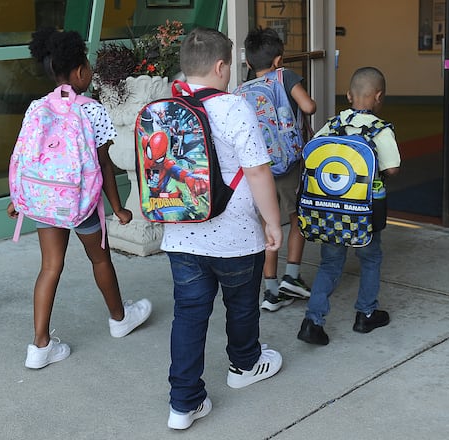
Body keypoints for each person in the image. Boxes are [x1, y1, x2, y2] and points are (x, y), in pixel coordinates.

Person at [7, 28, 152, 369]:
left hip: (44, 200)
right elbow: (103, 163)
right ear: (79, 72)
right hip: (80, 201)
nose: (89, 69)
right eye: (86, 64)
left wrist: (18, 196)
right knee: (100, 260)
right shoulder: (92, 110)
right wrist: (118, 208)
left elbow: (24, 156)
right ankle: (119, 318)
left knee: (50, 267)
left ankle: (39, 346)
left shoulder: (37, 107)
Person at [163, 27, 284, 430]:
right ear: (220, 67)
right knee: (242, 305)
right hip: (234, 236)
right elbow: (257, 171)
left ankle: (183, 403)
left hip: (181, 232)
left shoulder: (163, 104)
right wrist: (272, 222)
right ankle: (244, 365)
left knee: (189, 315)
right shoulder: (234, 108)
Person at [297, 67, 401, 346]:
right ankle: (365, 314)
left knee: (330, 263)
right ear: (379, 97)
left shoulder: (333, 124)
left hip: (329, 211)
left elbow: (313, 154)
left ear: (348, 95)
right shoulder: (380, 130)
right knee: (370, 259)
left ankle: (313, 321)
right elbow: (391, 169)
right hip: (362, 214)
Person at [242, 27, 317, 311]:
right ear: (279, 59)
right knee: (298, 217)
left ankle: (271, 290)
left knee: (268, 226)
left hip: (259, 168)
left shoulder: (242, 88)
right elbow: (308, 107)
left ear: (249, 63)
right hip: (287, 166)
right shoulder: (285, 77)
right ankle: (292, 277)